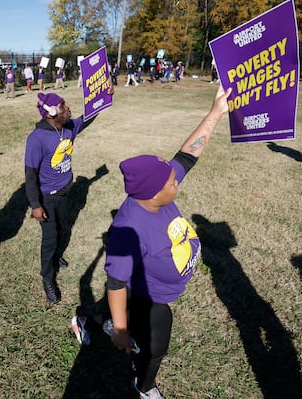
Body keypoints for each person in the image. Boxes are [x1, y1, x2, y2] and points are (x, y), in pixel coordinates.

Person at [104, 85, 231, 399]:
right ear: (153, 193)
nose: (178, 179)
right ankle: (144, 386)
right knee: (157, 346)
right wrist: (121, 329)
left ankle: (89, 319)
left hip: (152, 289)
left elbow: (187, 155)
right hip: (151, 297)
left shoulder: (155, 191)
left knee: (122, 318)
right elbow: (116, 281)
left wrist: (215, 112)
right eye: (172, 181)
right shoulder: (127, 227)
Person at [25, 88, 114, 303]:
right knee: (49, 238)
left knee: (62, 227)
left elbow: (87, 118)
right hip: (46, 197)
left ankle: (56, 256)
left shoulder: (68, 128)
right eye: (64, 106)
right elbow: (30, 175)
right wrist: (36, 205)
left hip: (65, 192)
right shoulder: (37, 139)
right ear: (52, 112)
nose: (69, 108)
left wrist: (103, 97)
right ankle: (47, 277)